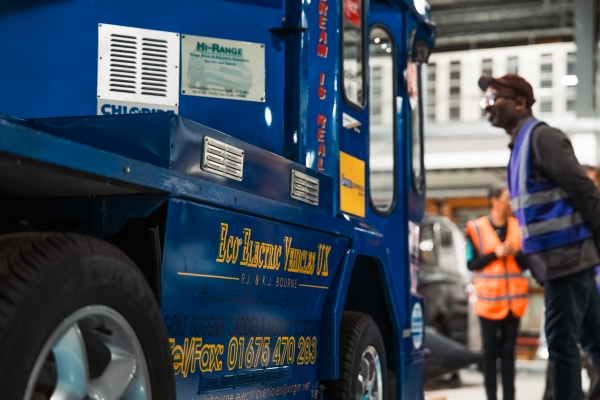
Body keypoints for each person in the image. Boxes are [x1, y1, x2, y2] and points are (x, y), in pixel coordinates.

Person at [479, 73, 600, 400]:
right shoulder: (520, 145)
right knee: (594, 341)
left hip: (567, 258)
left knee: (562, 345)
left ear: (520, 103)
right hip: (560, 262)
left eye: (493, 99)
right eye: (484, 101)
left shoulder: (542, 138)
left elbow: (584, 190)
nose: (486, 106)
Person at [465, 182, 528, 400]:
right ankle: (491, 397)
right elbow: (471, 264)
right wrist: (495, 254)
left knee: (509, 354)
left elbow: (526, 263)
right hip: (488, 303)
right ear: (494, 200)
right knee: (490, 353)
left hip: (514, 304)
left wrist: (514, 253)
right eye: (506, 198)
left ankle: (510, 397)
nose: (510, 202)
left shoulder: (518, 226)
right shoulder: (475, 228)